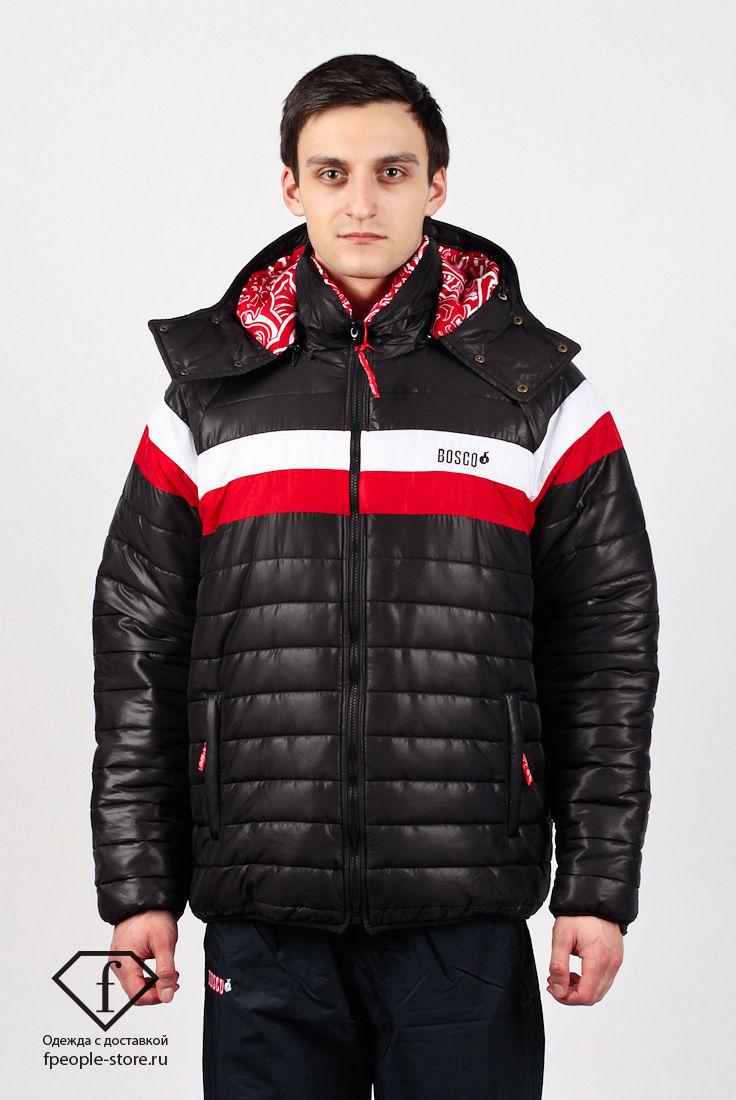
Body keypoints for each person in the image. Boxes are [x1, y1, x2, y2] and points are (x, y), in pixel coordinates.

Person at [90, 53, 660, 1098]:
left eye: (392, 172)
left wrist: (597, 885)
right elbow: (138, 647)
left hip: (463, 918)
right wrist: (139, 887)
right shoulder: (208, 399)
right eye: (333, 173)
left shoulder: (535, 396)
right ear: (291, 187)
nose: (361, 202)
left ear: (436, 184)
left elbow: (608, 651)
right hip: (263, 916)